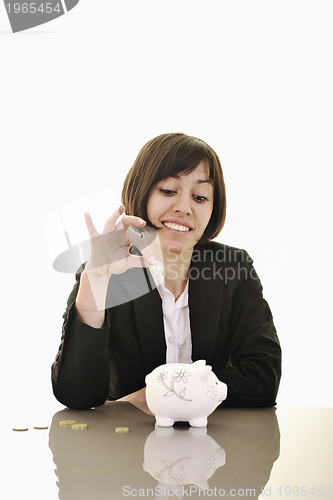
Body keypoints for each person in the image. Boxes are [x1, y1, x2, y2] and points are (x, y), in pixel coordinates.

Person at [51, 133, 281, 410]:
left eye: (199, 196)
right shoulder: (105, 269)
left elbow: (263, 379)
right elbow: (77, 395)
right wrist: (96, 280)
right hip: (127, 445)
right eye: (169, 191)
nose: (184, 207)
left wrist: (155, 393)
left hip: (214, 442)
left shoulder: (232, 267)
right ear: (143, 192)